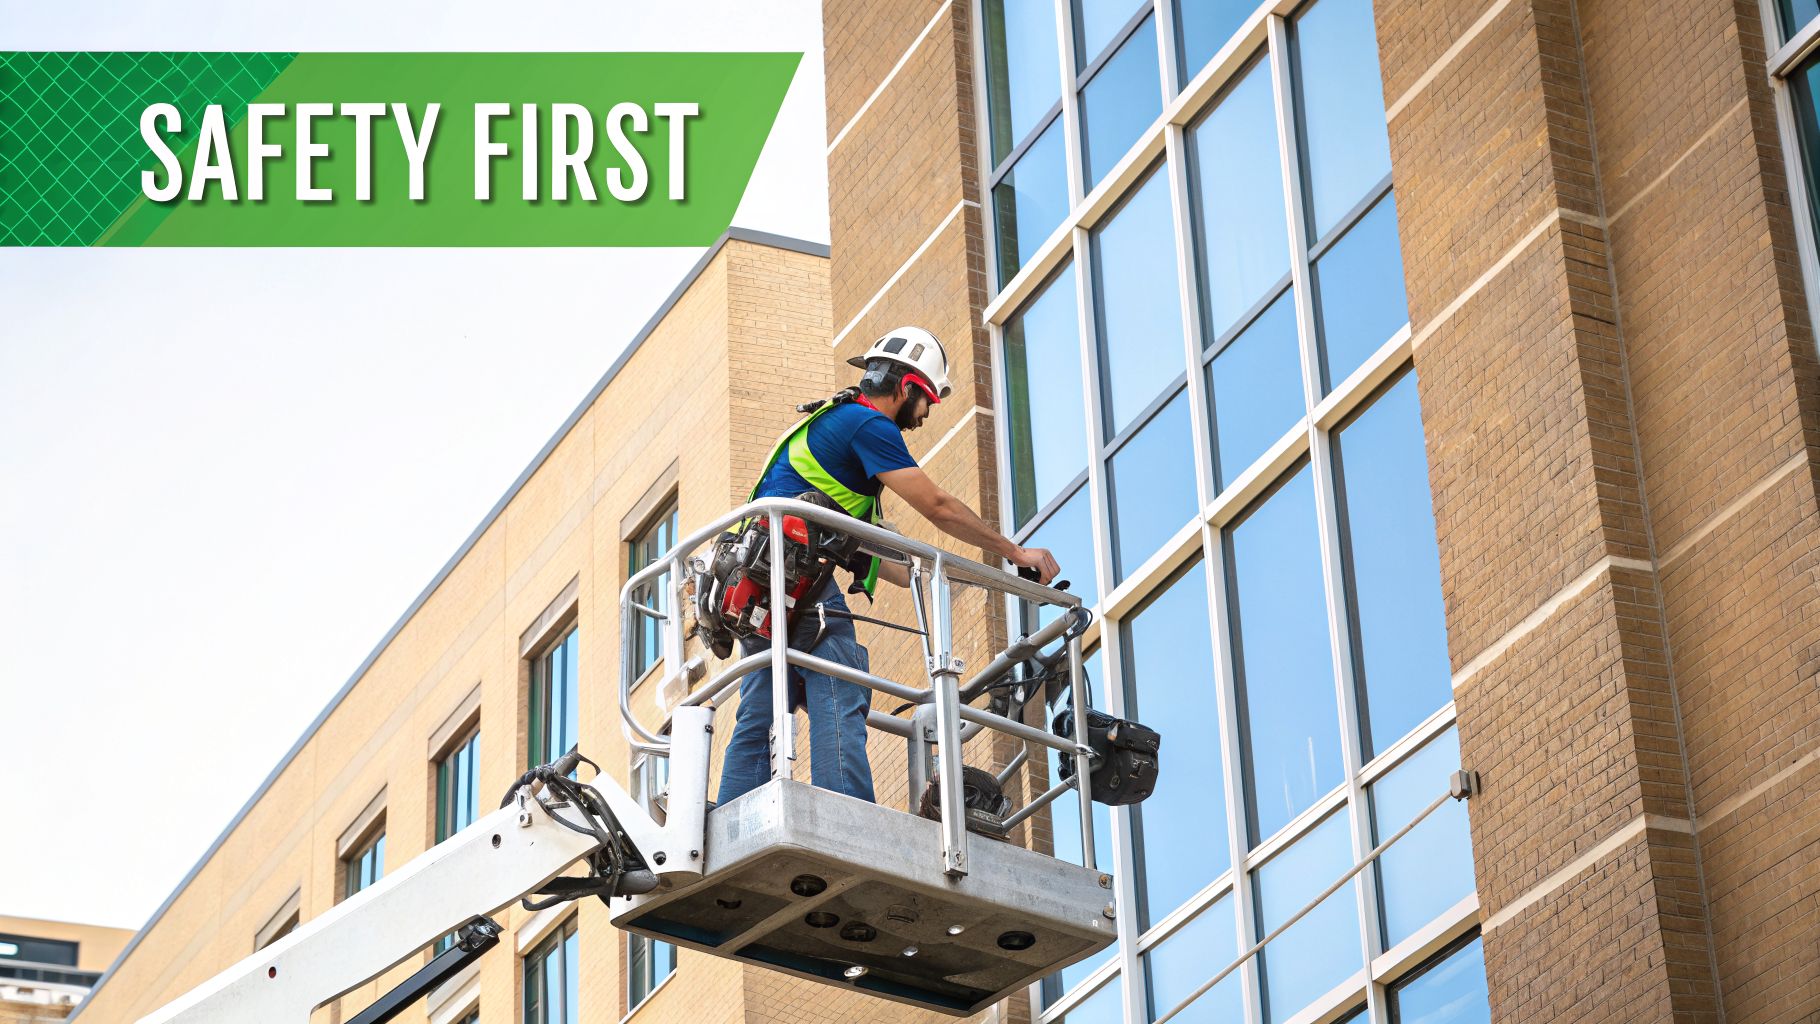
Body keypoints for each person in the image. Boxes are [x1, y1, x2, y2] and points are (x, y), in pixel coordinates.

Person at [714, 326, 1061, 806]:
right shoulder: (869, 426)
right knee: (840, 678)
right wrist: (1016, 554)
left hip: (760, 582)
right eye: (926, 403)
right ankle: (846, 814)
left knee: (761, 705)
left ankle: (733, 812)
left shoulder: (836, 431)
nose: (922, 418)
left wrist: (959, 581)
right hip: (796, 579)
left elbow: (893, 564)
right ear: (908, 387)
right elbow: (936, 505)